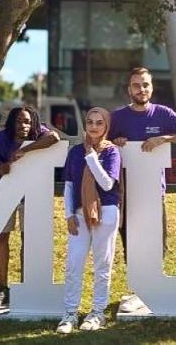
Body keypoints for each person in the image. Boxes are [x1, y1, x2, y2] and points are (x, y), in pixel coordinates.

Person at [108, 66, 176, 313]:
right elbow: (100, 141)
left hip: (153, 191)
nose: (141, 89)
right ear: (129, 89)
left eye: (145, 85)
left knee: (157, 241)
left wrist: (165, 138)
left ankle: (154, 288)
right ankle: (138, 290)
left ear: (151, 87)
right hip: (125, 191)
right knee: (131, 240)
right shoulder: (117, 117)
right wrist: (114, 143)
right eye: (136, 85)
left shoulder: (162, 114)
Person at [0, 106, 60, 308]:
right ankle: (2, 287)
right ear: (10, 123)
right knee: (2, 236)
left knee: (29, 239)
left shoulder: (38, 133)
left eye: (27, 121)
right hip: (6, 193)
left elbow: (55, 138)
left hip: (31, 195)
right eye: (18, 121)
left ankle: (26, 286)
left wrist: (23, 150)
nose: (23, 125)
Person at [56, 107, 121, 333]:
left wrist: (91, 155)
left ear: (106, 126)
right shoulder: (74, 152)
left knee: (102, 264)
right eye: (90, 122)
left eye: (99, 123)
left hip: (107, 212)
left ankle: (97, 313)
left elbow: (107, 184)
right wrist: (68, 214)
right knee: (74, 263)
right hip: (79, 214)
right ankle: (70, 314)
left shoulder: (111, 152)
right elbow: (69, 185)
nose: (94, 126)